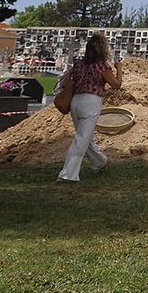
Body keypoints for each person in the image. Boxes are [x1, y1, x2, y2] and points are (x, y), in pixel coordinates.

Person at [57, 33, 122, 182]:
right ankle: (68, 174)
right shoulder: (102, 65)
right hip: (91, 102)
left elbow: (67, 82)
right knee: (81, 139)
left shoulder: (79, 63)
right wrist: (119, 69)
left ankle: (99, 161)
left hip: (75, 101)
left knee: (86, 137)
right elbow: (117, 85)